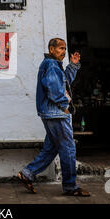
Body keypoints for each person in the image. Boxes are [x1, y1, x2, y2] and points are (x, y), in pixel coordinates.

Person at [17, 38, 90, 197]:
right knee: (68, 148)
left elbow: (63, 83)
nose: (63, 51)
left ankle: (28, 173)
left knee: (52, 147)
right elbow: (54, 89)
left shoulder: (54, 65)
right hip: (56, 113)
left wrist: (73, 65)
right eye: (60, 48)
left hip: (52, 113)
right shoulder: (51, 65)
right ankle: (70, 186)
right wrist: (65, 105)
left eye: (65, 49)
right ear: (51, 49)